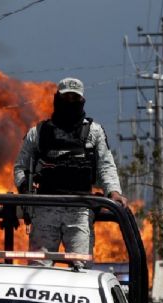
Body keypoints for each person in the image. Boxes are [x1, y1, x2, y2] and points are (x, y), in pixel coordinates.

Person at [13, 77, 129, 265]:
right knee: (38, 271)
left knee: (80, 269)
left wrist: (114, 193)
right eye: (66, 98)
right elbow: (20, 167)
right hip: (44, 211)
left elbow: (106, 166)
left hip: (80, 211)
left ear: (82, 101)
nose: (70, 103)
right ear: (57, 98)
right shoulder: (39, 132)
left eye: (74, 99)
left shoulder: (94, 132)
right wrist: (25, 191)